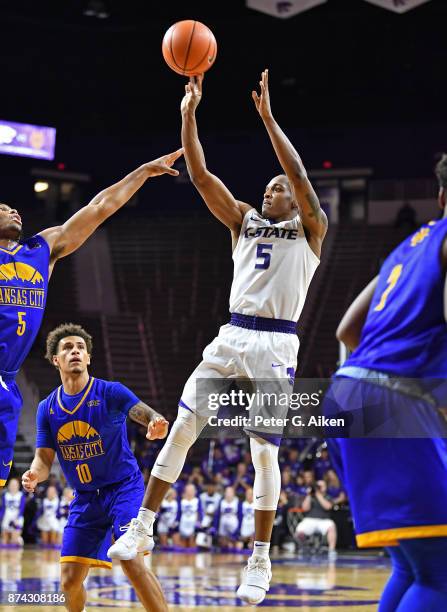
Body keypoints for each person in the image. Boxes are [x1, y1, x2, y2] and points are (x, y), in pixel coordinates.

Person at [109, 68, 327, 606]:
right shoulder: (244, 222)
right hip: (232, 335)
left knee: (263, 454)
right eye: (268, 186)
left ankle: (260, 557)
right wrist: (189, 114)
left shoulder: (312, 228)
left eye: (279, 188)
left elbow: (297, 173)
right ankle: (143, 526)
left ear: (296, 201)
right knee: (183, 424)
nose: (271, 190)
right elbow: (203, 176)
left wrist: (270, 121)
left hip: (277, 343)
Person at [0, 148, 183, 489]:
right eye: (2, 209)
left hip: (7, 384)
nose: (12, 211)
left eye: (14, 208)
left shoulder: (41, 250)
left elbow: (99, 208)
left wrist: (141, 171)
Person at [323, 154, 447, 610]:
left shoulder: (406, 247)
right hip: (391, 399)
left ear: (439, 196)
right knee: (441, 570)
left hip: (345, 391)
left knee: (412, 563)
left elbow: (347, 331)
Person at [21, 323, 170, 612]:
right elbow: (44, 458)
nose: (75, 351)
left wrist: (155, 422)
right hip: (85, 497)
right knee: (68, 581)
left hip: (123, 488)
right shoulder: (47, 408)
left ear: (88, 357)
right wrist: (34, 474)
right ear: (56, 360)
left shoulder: (110, 392)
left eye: (80, 348)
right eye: (67, 348)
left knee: (130, 559)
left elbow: (144, 412)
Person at [295, 480, 337, 559]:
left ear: (325, 487)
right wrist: (309, 495)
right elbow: (305, 508)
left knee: (332, 526)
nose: (319, 488)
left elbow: (328, 506)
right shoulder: (310, 497)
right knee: (299, 530)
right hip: (310, 519)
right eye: (318, 486)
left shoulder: (328, 496)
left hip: (324, 520)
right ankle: (305, 548)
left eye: (321, 486)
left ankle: (332, 550)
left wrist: (318, 495)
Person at [0, 477, 25, 546]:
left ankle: (19, 540)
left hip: (17, 518)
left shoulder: (21, 495)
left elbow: (21, 509)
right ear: (8, 486)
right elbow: (3, 509)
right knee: (4, 541)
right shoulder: (5, 496)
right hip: (7, 517)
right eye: (11, 485)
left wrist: (17, 519)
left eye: (15, 485)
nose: (13, 486)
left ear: (18, 486)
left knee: (13, 541)